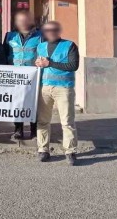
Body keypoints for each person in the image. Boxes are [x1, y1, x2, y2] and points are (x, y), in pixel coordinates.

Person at [34, 21, 80, 166]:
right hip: (45, 88)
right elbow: (40, 64)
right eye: (48, 30)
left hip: (64, 88)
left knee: (67, 122)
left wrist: (50, 63)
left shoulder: (69, 45)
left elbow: (73, 65)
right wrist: (38, 63)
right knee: (42, 120)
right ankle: (43, 150)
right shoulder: (41, 46)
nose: (51, 32)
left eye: (54, 30)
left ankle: (70, 151)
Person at [3, 11, 42, 140]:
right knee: (17, 104)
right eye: (20, 20)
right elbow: (4, 54)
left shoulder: (40, 36)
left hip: (33, 76)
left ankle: (34, 131)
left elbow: (44, 53)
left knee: (33, 104)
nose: (22, 23)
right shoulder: (10, 36)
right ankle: (18, 130)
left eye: (25, 20)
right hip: (14, 77)